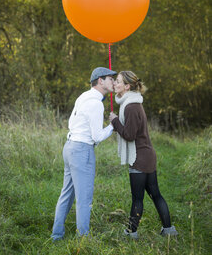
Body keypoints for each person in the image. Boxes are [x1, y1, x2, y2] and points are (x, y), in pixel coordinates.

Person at [109, 71, 178, 240]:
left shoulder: (131, 107)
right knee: (156, 194)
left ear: (127, 86)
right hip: (147, 155)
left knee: (138, 199)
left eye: (117, 82)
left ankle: (131, 233)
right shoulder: (132, 102)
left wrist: (115, 121)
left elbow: (130, 135)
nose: (114, 84)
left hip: (139, 157)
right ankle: (168, 230)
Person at [51, 67, 116, 241]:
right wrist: (113, 125)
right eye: (110, 78)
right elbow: (97, 137)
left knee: (66, 194)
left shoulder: (83, 96)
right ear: (100, 81)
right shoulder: (96, 103)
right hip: (82, 150)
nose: (114, 82)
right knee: (84, 199)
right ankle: (83, 240)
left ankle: (57, 235)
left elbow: (72, 122)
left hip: (69, 147)